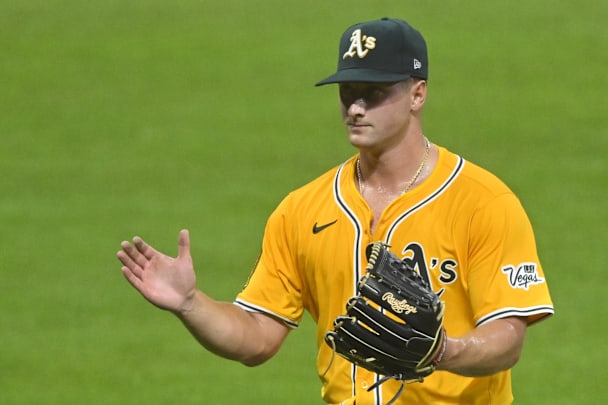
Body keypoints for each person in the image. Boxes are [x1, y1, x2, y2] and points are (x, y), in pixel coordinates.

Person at [117, 17, 554, 405]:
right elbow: (256, 339)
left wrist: (442, 351)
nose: (356, 108)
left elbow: (507, 337)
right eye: (349, 92)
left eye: (375, 93)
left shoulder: (483, 202)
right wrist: (190, 304)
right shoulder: (301, 210)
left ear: (417, 94)